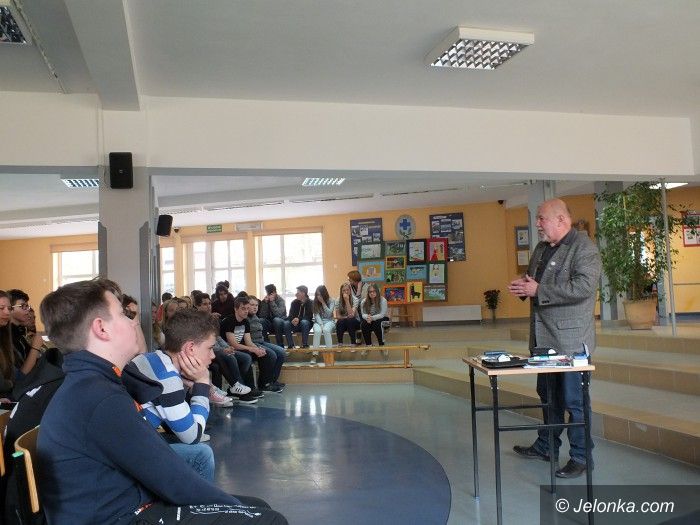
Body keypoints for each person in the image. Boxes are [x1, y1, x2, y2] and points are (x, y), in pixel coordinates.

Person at [36, 278, 286, 525]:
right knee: (269, 520)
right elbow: (173, 478)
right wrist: (237, 510)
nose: (133, 322)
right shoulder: (100, 397)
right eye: (124, 314)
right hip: (125, 516)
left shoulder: (94, 382)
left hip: (128, 503)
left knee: (259, 508)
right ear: (101, 329)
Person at [508, 198, 601, 479]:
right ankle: (546, 446)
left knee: (574, 402)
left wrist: (539, 290)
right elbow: (535, 281)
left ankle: (581, 458)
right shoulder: (541, 248)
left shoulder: (584, 248)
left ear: (561, 220)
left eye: (541, 218)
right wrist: (524, 287)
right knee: (548, 397)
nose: (537, 224)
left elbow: (584, 287)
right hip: (544, 340)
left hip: (571, 343)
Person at [131, 308, 218, 480]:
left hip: (129, 439)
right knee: (202, 454)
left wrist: (184, 384)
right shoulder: (167, 379)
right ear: (190, 348)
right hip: (129, 452)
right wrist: (202, 385)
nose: (213, 355)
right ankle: (200, 499)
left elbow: (173, 423)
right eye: (210, 348)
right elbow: (193, 436)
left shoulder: (153, 359)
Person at [194, 292, 259, 404]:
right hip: (204, 351)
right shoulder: (194, 321)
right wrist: (223, 349)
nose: (208, 306)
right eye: (205, 304)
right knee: (228, 357)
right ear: (197, 306)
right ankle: (236, 387)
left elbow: (217, 337)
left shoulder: (211, 319)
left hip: (216, 350)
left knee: (245, 358)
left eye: (209, 303)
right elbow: (202, 342)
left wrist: (227, 347)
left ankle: (239, 387)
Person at [221, 297, 283, 393]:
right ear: (235, 309)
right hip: (228, 349)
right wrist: (253, 349)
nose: (246, 311)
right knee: (247, 356)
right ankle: (247, 387)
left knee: (266, 354)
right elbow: (234, 345)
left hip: (239, 348)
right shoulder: (229, 321)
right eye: (243, 308)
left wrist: (258, 349)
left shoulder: (245, 321)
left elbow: (249, 342)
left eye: (247, 308)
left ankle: (264, 384)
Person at [246, 296, 286, 390]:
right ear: (246, 305)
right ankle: (264, 384)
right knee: (271, 355)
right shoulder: (245, 317)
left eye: (256, 305)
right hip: (252, 343)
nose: (255, 307)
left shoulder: (255, 316)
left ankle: (272, 381)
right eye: (252, 305)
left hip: (261, 341)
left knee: (281, 352)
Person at [311, 285, 336, 364]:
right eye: (317, 294)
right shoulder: (314, 302)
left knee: (326, 330)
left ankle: (329, 354)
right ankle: (314, 355)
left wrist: (323, 303)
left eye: (320, 294)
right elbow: (316, 315)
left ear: (324, 294)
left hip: (329, 321)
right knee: (317, 331)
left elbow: (329, 314)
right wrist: (321, 324)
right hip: (318, 322)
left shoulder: (331, 300)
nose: (318, 296)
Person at [360, 283, 389, 347]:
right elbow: (363, 314)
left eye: (374, 291)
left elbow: (382, 315)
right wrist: (367, 317)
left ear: (377, 292)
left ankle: (381, 344)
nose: (372, 293)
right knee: (364, 324)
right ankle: (369, 345)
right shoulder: (364, 301)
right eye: (370, 292)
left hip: (385, 321)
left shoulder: (383, 300)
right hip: (370, 320)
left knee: (377, 323)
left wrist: (371, 318)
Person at [335, 282, 361, 346]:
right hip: (344, 321)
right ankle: (340, 343)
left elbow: (351, 315)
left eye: (347, 290)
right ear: (341, 292)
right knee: (339, 322)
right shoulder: (338, 300)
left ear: (350, 290)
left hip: (355, 321)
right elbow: (338, 316)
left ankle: (353, 343)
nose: (346, 292)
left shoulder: (355, 299)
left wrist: (347, 301)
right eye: (344, 290)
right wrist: (345, 318)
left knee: (350, 320)